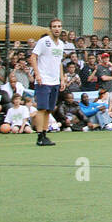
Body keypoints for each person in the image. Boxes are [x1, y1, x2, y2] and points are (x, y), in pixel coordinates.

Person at [29, 18, 64, 146]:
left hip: (55, 81)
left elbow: (59, 62)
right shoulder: (44, 42)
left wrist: (62, 78)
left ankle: (45, 134)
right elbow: (33, 57)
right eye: (54, 26)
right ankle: (39, 136)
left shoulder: (61, 44)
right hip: (43, 80)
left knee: (49, 109)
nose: (57, 28)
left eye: (59, 26)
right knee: (42, 108)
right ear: (50, 28)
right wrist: (37, 74)